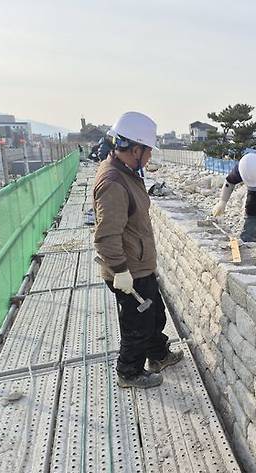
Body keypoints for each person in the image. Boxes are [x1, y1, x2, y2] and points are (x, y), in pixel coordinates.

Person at [93, 111, 183, 389]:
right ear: (135, 149)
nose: (150, 158)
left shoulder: (126, 172)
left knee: (153, 315)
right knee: (137, 325)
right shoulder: (113, 182)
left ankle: (158, 355)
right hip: (127, 270)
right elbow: (106, 235)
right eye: (148, 152)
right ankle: (129, 372)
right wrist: (120, 271)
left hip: (139, 263)